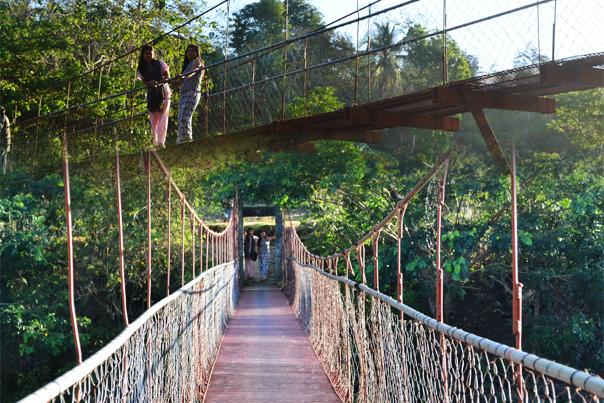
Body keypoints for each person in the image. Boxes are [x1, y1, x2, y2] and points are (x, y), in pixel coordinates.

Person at [137, 44, 171, 148]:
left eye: (150, 53)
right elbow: (144, 82)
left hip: (163, 91)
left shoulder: (160, 63)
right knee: (153, 119)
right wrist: (150, 83)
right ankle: (156, 142)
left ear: (153, 53)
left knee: (163, 116)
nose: (148, 55)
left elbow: (167, 75)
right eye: (146, 53)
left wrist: (164, 80)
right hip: (152, 94)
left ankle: (161, 142)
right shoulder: (141, 68)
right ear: (143, 55)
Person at [172, 44, 205, 145]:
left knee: (185, 115)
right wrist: (167, 81)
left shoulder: (197, 61)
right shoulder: (187, 65)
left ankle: (186, 139)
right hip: (184, 93)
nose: (190, 53)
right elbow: (180, 83)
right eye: (188, 51)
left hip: (193, 91)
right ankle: (182, 137)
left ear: (196, 53)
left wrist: (183, 75)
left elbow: (193, 72)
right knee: (181, 115)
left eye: (192, 51)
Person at [0, 106, 10, 175]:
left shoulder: (2, 118)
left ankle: (2, 175)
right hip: (5, 142)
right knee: (3, 159)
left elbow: (0, 127)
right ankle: (3, 175)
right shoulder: (5, 117)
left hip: (3, 143)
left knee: (2, 159)